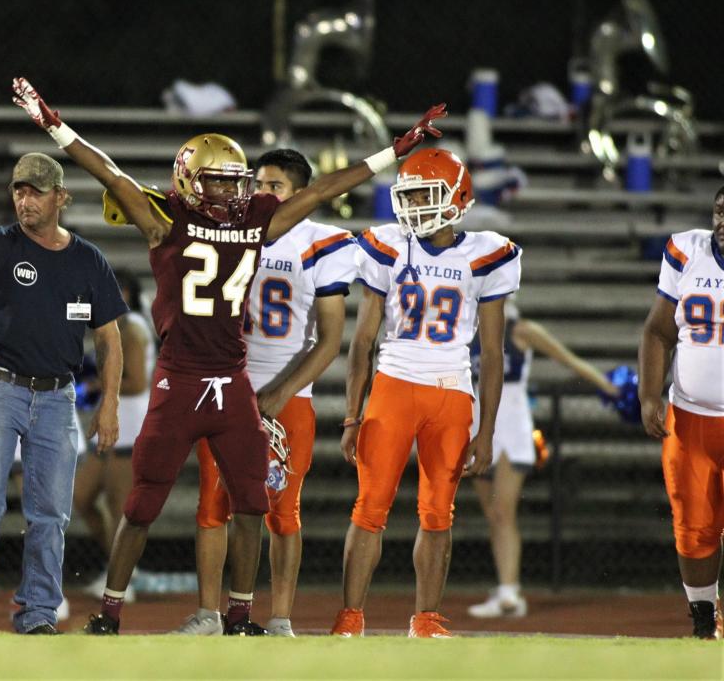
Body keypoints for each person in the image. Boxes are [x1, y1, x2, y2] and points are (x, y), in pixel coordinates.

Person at [11, 76, 445, 634]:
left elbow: (316, 192)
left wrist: (394, 150)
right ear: (190, 183)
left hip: (231, 380)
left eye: (235, 183)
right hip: (179, 379)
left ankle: (240, 612)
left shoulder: (252, 219)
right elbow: (107, 171)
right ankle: (110, 610)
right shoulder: (163, 218)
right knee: (143, 503)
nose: (232, 193)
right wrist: (54, 125)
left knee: (252, 502)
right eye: (218, 183)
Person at [330, 148, 522, 638]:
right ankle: (350, 617)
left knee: (438, 513)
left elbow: (494, 354)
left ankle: (427, 619)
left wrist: (487, 429)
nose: (414, 204)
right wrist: (353, 415)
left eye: (424, 194)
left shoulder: (485, 252)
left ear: (457, 197)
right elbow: (363, 341)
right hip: (394, 385)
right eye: (409, 194)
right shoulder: (389, 245)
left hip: (452, 391)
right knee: (370, 507)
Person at [0, 151, 127, 635]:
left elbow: (110, 338)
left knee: (51, 513)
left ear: (61, 197)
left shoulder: (88, 260)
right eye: (19, 190)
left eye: (36, 190)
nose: (25, 199)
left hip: (58, 397)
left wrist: (109, 405)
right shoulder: (1, 245)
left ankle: (39, 612)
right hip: (1, 388)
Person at [181, 149, 358, 636]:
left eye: (275, 186)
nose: (262, 193)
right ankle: (209, 614)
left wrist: (282, 391)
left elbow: (330, 340)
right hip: (224, 385)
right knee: (213, 504)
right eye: (258, 183)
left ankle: (280, 617)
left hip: (287, 395)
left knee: (282, 512)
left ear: (299, 194)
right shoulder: (230, 229)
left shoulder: (322, 242)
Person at [465, 296, 620, 619]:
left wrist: (610, 387)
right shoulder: (468, 330)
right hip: (479, 428)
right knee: (493, 515)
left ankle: (510, 593)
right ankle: (505, 587)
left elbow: (570, 361)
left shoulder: (521, 330)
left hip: (513, 431)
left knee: (503, 511)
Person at [638, 187, 724, 640]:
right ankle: (703, 619)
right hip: (690, 416)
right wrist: (649, 395)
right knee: (693, 526)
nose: (723, 221)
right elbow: (656, 330)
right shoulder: (687, 250)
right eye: (719, 211)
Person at [77, 269, 155, 604]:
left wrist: (98, 387)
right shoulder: (121, 325)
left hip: (129, 426)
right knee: (81, 497)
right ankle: (119, 568)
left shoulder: (133, 329)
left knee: (118, 505)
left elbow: (137, 382)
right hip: (112, 424)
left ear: (121, 291)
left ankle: (122, 580)